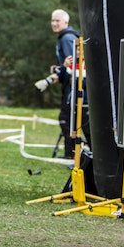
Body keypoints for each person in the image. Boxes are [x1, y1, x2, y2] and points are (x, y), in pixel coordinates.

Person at [34, 9, 85, 156]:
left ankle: (72, 153)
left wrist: (60, 72)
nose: (54, 23)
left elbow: (73, 64)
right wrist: (59, 69)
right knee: (70, 119)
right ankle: (71, 152)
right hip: (71, 86)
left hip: (74, 88)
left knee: (67, 119)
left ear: (66, 22)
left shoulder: (67, 38)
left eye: (58, 21)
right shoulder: (64, 37)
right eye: (53, 20)